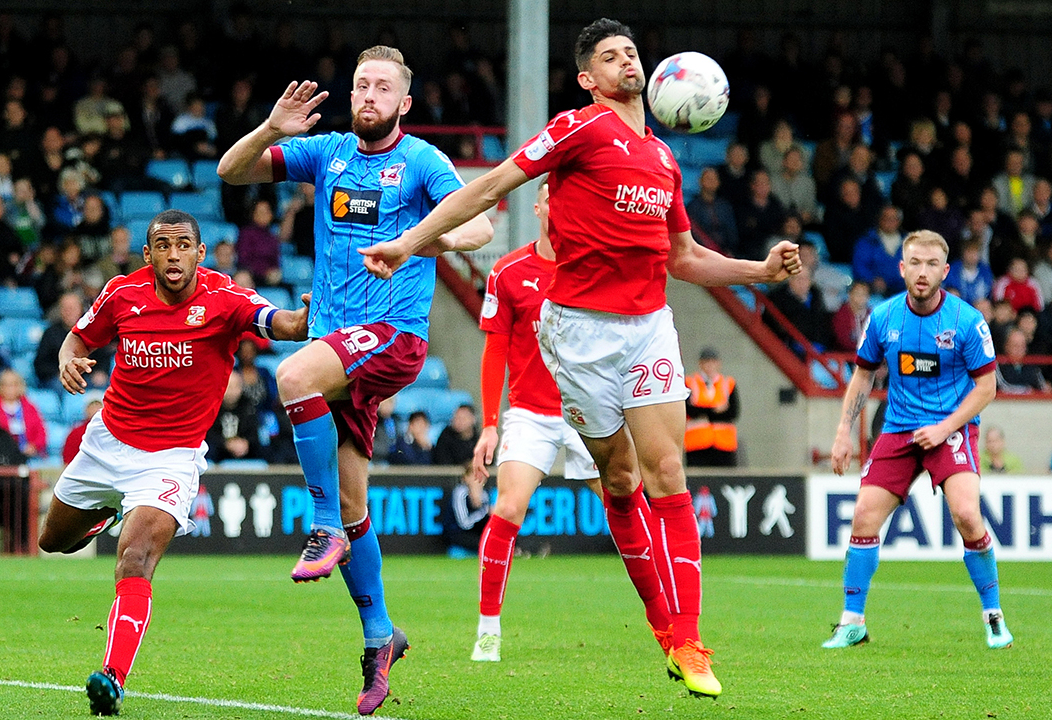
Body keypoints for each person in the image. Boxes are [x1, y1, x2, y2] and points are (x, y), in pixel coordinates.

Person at [357, 19, 801, 698]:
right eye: (610, 56)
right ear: (588, 78)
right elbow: (493, 185)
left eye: (632, 52)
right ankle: (662, 627)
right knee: (619, 481)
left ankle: (689, 643)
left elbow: (683, 258)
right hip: (578, 333)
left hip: (649, 324)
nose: (627, 60)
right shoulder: (577, 128)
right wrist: (411, 241)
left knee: (668, 470)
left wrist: (760, 270)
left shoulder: (663, 158)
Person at [216, 46, 492, 715]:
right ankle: (379, 636)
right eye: (361, 85)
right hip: (336, 347)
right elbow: (233, 171)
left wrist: (417, 239)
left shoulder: (422, 161)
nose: (368, 94)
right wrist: (273, 130)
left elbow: (480, 225)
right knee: (353, 501)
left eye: (383, 87)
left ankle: (320, 529)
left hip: (393, 333)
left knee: (290, 374)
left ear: (404, 101)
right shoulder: (328, 151)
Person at [35, 210, 311, 717]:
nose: (174, 254)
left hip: (170, 459)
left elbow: (282, 324)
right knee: (52, 542)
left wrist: (307, 318)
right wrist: (67, 359)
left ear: (200, 253)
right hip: (107, 443)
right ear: (148, 254)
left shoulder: (225, 299)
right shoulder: (122, 294)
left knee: (134, 558)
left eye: (184, 245)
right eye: (162, 245)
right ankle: (103, 513)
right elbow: (79, 336)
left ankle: (113, 677)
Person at [826, 229, 1012, 651]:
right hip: (898, 429)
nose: (922, 272)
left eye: (931, 264)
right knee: (863, 517)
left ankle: (993, 615)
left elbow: (987, 388)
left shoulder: (966, 320)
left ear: (945, 271)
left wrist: (946, 428)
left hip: (952, 428)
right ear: (902, 268)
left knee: (966, 515)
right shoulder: (885, 317)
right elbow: (862, 375)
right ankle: (852, 622)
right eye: (915, 263)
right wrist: (842, 432)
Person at [469, 179, 605, 663]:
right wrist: (489, 423)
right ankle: (488, 629)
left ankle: (670, 624)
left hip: (589, 409)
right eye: (555, 199)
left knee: (629, 503)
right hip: (530, 412)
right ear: (540, 206)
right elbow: (495, 350)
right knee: (508, 509)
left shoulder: (592, 266)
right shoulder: (508, 271)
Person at [683, 347, 739, 468]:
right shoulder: (690, 382)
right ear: (700, 364)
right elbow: (690, 411)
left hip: (724, 444)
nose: (710, 365)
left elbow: (732, 413)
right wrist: (715, 410)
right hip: (697, 443)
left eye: (713, 362)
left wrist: (703, 412)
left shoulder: (728, 383)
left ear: (718, 363)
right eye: (706, 362)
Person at [441, 461, 490, 558]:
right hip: (457, 533)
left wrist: (480, 506)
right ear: (466, 478)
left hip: (474, 532)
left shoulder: (484, 494)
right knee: (484, 545)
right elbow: (464, 523)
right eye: (474, 475)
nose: (478, 479)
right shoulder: (460, 493)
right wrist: (483, 511)